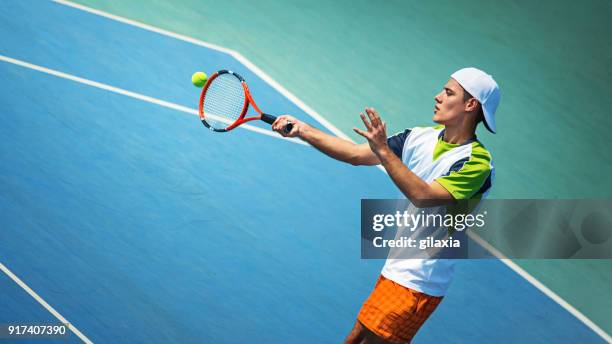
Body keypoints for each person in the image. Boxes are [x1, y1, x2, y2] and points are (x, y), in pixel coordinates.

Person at [272, 67, 500, 343]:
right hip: (396, 270)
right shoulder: (418, 137)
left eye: (448, 92)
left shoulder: (477, 163)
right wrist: (304, 130)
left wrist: (383, 150)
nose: (437, 96)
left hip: (419, 282)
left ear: (470, 105)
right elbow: (356, 154)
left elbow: (425, 197)